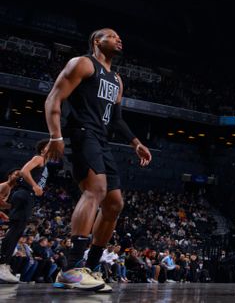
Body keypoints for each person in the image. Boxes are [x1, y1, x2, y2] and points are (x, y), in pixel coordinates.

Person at [42, 28, 152, 292]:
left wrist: (136, 143)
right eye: (112, 35)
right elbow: (53, 98)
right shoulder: (83, 63)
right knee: (96, 190)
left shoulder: (116, 79)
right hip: (81, 133)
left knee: (114, 204)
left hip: (101, 139)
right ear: (96, 41)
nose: (119, 38)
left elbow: (116, 120)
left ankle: (90, 267)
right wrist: (55, 136)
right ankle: (71, 268)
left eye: (119, 36)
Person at [0, 140, 49, 284]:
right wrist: (35, 186)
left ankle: (5, 264)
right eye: (48, 147)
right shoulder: (39, 158)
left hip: (27, 197)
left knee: (17, 231)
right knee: (15, 231)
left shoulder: (44, 163)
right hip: (25, 193)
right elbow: (24, 171)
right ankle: (3, 264)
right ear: (42, 149)